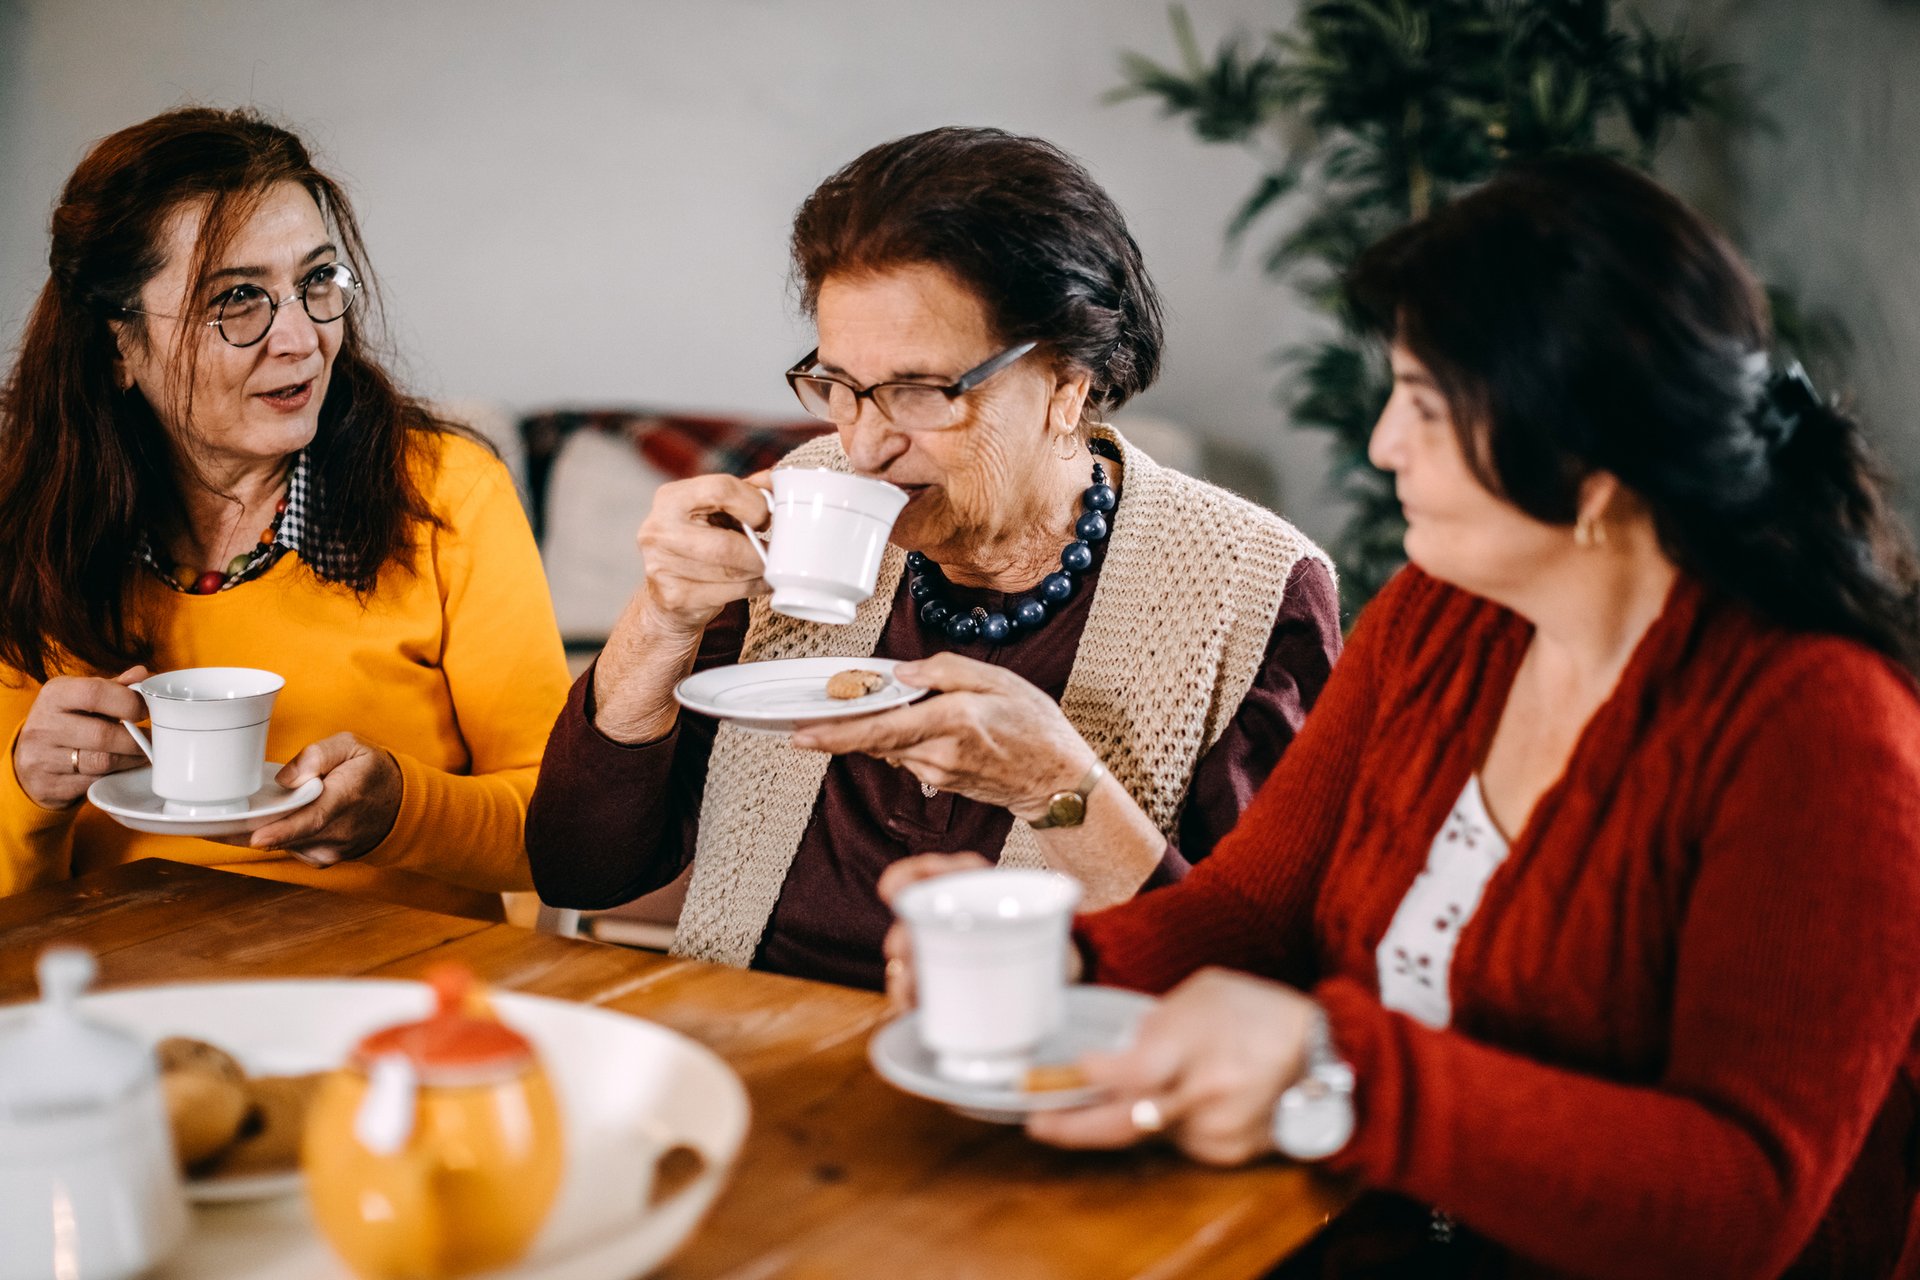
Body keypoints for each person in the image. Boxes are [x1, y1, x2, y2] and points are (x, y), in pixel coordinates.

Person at [885, 156, 1920, 1276]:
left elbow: (1746, 1195)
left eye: (1422, 403)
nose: (1383, 444)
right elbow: (1255, 910)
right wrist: (1061, 965)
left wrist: (1342, 1068)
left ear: (1586, 459)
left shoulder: (1822, 728)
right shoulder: (1441, 617)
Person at [526, 127, 1341, 988]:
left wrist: (1056, 789)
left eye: (920, 393)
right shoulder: (795, 512)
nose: (865, 446)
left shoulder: (1249, 590)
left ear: (1066, 385)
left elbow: (1252, 978)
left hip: (1044, 1082)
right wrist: (659, 621)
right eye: (839, 387)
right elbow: (582, 872)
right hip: (756, 1035)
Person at [0, 108, 569, 920]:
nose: (301, 338)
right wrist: (28, 789)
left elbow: (562, 833)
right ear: (117, 346)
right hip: (119, 991)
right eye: (237, 299)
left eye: (316, 282)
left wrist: (397, 813)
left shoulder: (447, 493)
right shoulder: (29, 524)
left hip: (391, 996)